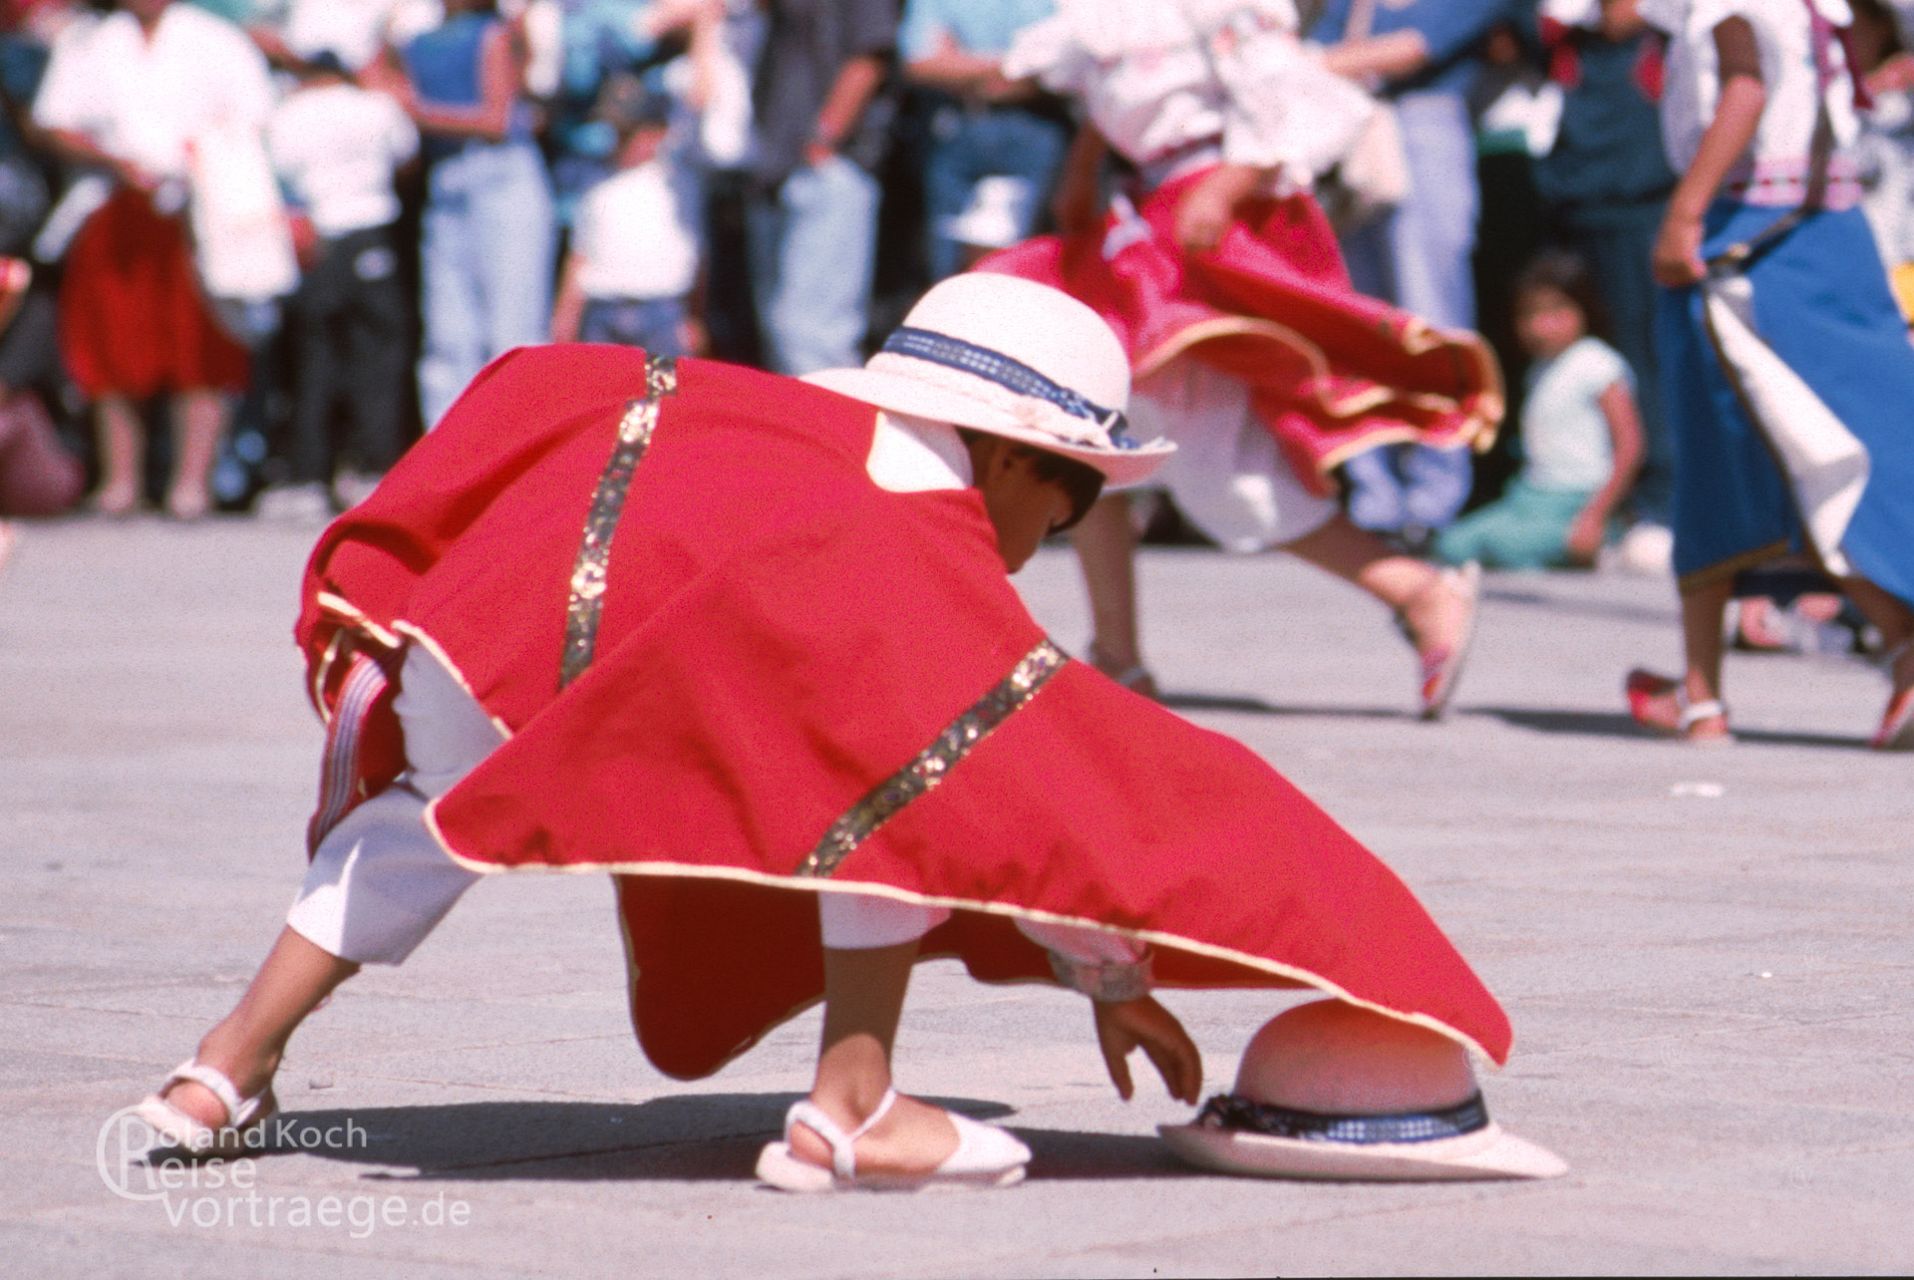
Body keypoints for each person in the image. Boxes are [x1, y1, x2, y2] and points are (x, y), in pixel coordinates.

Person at [126, 273, 1544, 1192]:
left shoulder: (778, 423)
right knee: (905, 769)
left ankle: (218, 1071)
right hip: (610, 639)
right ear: (1004, 456)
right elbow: (1042, 791)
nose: (1060, 535)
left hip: (484, 624)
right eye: (1073, 499)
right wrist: (1107, 967)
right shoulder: (918, 533)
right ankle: (852, 1105)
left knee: (429, 820)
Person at [982, 0, 1500, 714]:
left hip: (1202, 216)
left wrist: (1226, 185)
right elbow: (1112, 92)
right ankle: (1120, 653)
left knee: (1192, 461)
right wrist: (1084, 166)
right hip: (1147, 217)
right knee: (1091, 427)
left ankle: (1413, 589)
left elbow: (1294, 96)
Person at [1626, 0, 1914, 748]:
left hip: (1750, 244)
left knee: (1736, 462)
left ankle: (1703, 696)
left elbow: (1746, 84)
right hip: (1829, 236)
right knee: (1852, 449)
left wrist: (1683, 215)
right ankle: (1899, 651)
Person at [30, 0, 273, 519]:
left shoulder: (214, 39)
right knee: (111, 346)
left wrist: (195, 155)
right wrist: (113, 159)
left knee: (200, 346)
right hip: (113, 205)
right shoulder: (91, 42)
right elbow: (53, 122)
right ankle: (121, 482)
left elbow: (252, 116)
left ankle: (191, 483)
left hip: (198, 207)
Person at [1310, 0, 1516, 549]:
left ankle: (1434, 496)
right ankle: (1374, 493)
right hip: (1354, 132)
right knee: (1358, 323)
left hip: (1428, 127)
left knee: (1433, 319)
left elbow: (1413, 49)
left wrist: (1303, 65)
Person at [380, 0, 556, 428]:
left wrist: (417, 111)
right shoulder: (417, 43)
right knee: (449, 333)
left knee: (512, 327)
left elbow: (496, 120)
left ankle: (515, 443)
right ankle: (450, 450)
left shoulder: (491, 34)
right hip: (447, 183)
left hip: (500, 178)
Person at [260, 49, 419, 520]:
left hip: (317, 238)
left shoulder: (287, 112)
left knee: (314, 358)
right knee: (379, 356)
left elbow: (277, 174)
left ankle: (309, 474)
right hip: (371, 231)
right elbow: (405, 158)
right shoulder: (375, 106)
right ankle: (372, 468)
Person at [1435, 250, 1645, 570]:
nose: (1540, 326)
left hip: (1578, 500)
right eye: (1528, 314)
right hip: (1530, 498)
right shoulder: (1538, 370)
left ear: (1584, 308)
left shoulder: (1596, 362)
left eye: (1556, 311)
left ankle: (1603, 542)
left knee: (1505, 548)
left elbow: (1630, 445)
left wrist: (1594, 517)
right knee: (1452, 544)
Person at [742, 0, 897, 375]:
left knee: (812, 338)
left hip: (830, 170)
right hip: (774, 168)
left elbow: (869, 56)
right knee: (779, 334)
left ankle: (835, 432)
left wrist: (824, 138)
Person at [899, 0, 1070, 283]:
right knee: (950, 272)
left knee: (1027, 267)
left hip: (1037, 126)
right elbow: (920, 62)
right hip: (959, 128)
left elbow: (1068, 59)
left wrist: (961, 65)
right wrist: (1015, 65)